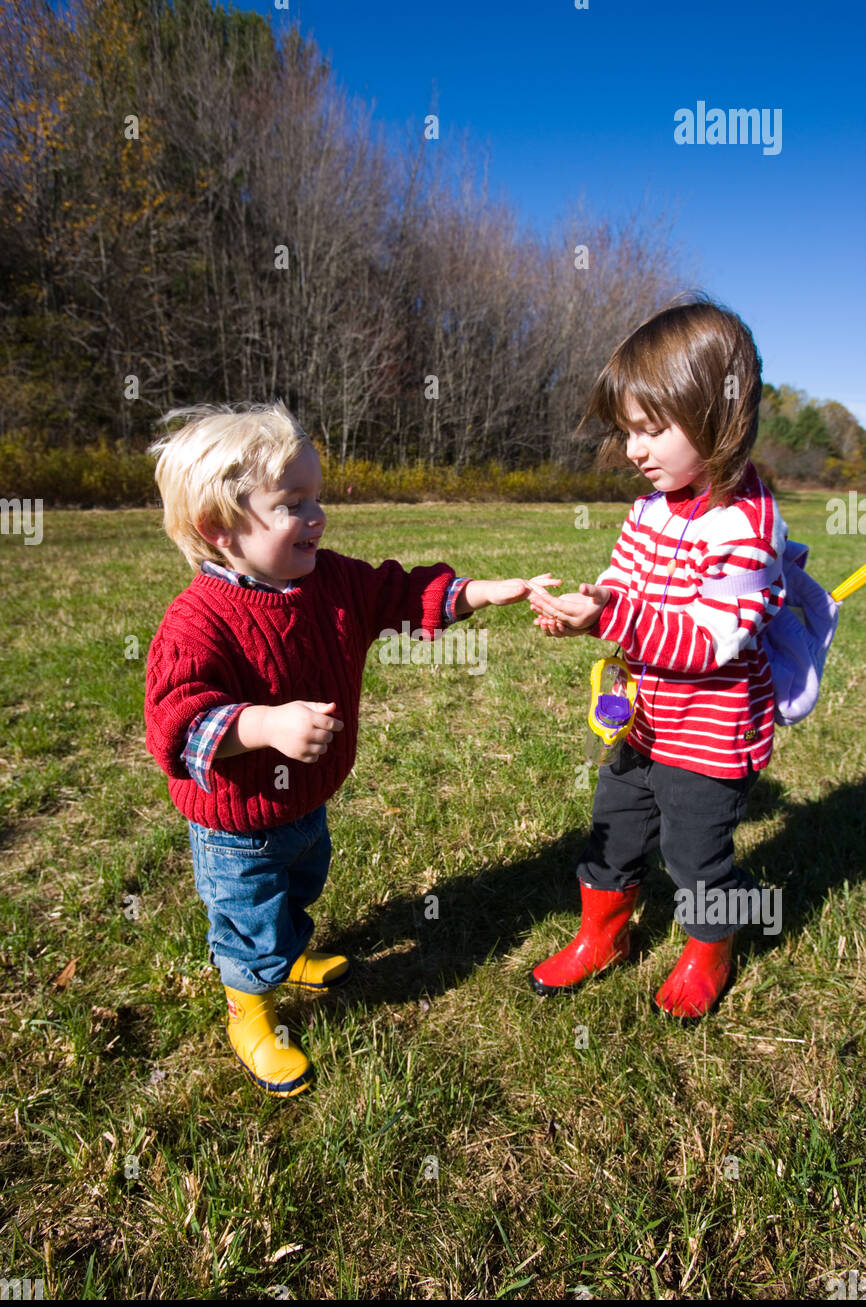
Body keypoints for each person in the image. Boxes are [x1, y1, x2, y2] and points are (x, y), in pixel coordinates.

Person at [144, 401, 559, 1094]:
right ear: (218, 530)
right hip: (236, 826)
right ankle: (249, 1007)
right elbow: (177, 727)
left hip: (306, 801)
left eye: (317, 498)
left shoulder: (330, 581)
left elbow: (398, 593)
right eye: (291, 504)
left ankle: (290, 954)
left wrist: (485, 593)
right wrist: (264, 726)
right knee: (250, 920)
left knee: (303, 882)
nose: (317, 517)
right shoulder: (197, 622)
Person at [527, 296, 786, 1020]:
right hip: (644, 718)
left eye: (651, 429)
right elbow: (624, 578)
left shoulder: (747, 527)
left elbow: (709, 641)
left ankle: (710, 948)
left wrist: (612, 617)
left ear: (718, 418)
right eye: (627, 431)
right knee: (613, 826)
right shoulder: (651, 506)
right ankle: (600, 936)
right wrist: (593, 606)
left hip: (710, 732)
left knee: (695, 853)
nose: (634, 450)